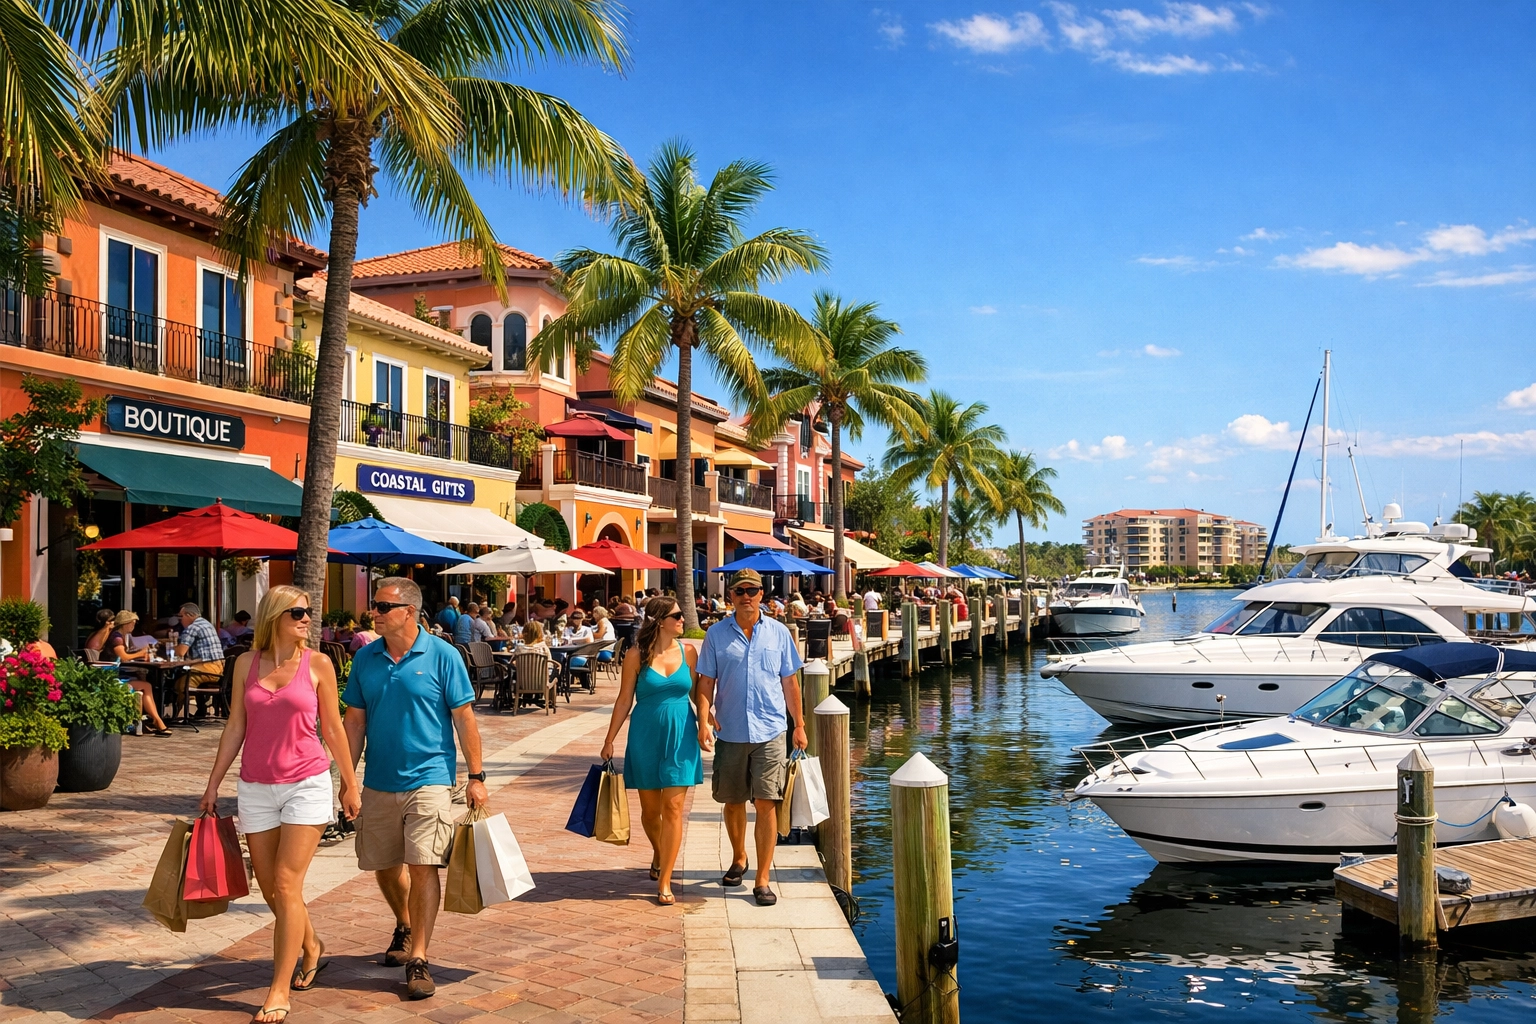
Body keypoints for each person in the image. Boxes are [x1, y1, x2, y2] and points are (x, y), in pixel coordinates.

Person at [199, 586, 360, 1024]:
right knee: (270, 887)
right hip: (255, 787)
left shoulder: (319, 664)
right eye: (297, 613)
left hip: (306, 784)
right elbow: (236, 725)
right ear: (275, 617)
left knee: (287, 885)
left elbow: (333, 728)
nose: (307, 618)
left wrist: (350, 784)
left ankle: (278, 989)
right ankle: (311, 944)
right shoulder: (245, 664)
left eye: (308, 612)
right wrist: (213, 784)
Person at [343, 577, 488, 1001]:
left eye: (382, 606)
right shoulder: (366, 657)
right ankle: (404, 924)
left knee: (423, 864)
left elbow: (464, 718)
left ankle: (419, 957)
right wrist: (347, 781)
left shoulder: (443, 655)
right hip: (378, 780)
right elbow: (354, 722)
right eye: (374, 605)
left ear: (409, 611)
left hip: (430, 778)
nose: (374, 612)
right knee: (385, 865)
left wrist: (476, 777)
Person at [696, 568, 806, 907]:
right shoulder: (716, 635)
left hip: (771, 730)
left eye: (753, 590)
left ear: (762, 595)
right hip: (730, 730)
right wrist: (703, 720)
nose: (747, 596)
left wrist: (799, 725)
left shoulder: (779, 633)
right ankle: (739, 856)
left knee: (766, 802)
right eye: (740, 591)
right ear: (731, 595)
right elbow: (705, 683)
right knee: (732, 801)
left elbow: (790, 682)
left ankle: (762, 879)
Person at [599, 596, 703, 905]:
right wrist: (609, 739)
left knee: (673, 808)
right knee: (650, 811)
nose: (682, 620)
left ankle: (665, 879)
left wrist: (709, 722)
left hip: (682, 734)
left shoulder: (689, 652)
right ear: (659, 621)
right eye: (677, 615)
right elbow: (624, 700)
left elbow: (698, 694)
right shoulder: (636, 655)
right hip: (645, 735)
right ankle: (659, 851)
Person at [106, 610, 171, 736]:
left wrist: (139, 655)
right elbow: (124, 657)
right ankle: (157, 721)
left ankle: (155, 720)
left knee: (146, 685)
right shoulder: (117, 638)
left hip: (115, 675)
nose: (133, 626)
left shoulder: (120, 636)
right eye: (133, 623)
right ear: (126, 623)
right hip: (111, 679)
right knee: (146, 686)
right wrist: (141, 653)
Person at [174, 603, 226, 718]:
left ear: (189, 615)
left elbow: (181, 652)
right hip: (218, 668)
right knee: (183, 677)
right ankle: (199, 710)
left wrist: (170, 645)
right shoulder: (207, 624)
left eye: (181, 617)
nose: (180, 620)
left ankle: (179, 714)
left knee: (181, 683)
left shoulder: (193, 627)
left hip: (207, 668)